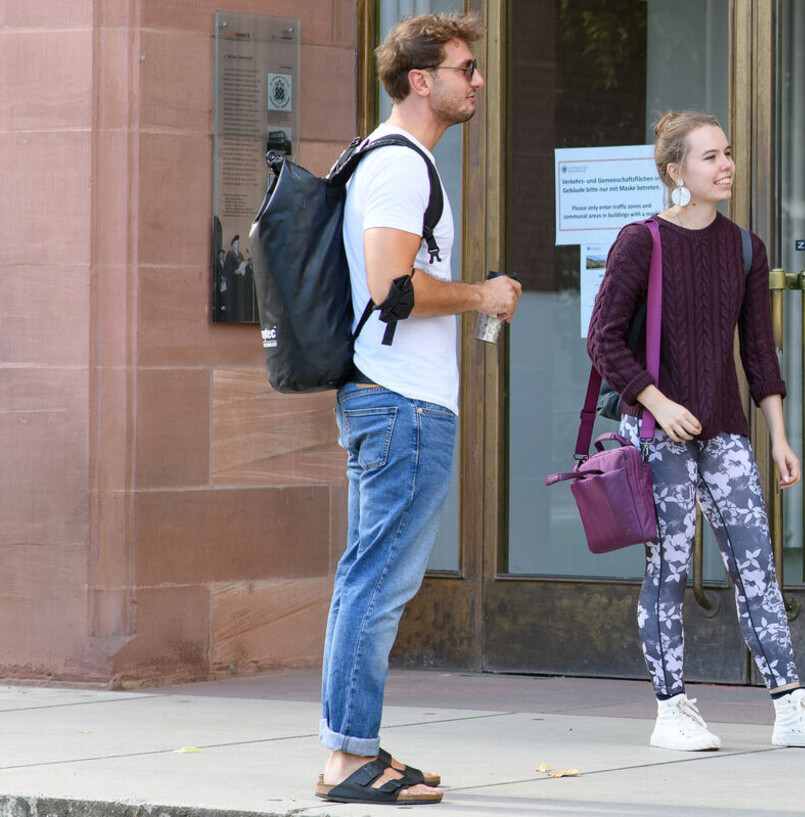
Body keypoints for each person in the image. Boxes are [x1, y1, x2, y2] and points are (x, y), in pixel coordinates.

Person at [587, 110, 805, 753]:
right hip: (657, 430)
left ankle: (790, 709)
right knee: (670, 565)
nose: (726, 164)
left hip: (725, 429)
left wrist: (780, 437)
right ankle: (670, 707)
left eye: (727, 152)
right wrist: (657, 399)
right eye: (710, 156)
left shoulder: (745, 247)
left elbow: (760, 354)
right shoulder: (641, 242)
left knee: (756, 561)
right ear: (676, 172)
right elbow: (602, 340)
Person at [316, 12, 522, 806]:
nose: (476, 82)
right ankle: (347, 761)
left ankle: (352, 744)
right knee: (377, 582)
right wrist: (483, 294)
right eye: (464, 68)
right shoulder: (401, 165)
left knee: (364, 578)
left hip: (388, 403)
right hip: (402, 407)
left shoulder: (387, 158)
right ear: (419, 80)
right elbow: (390, 287)